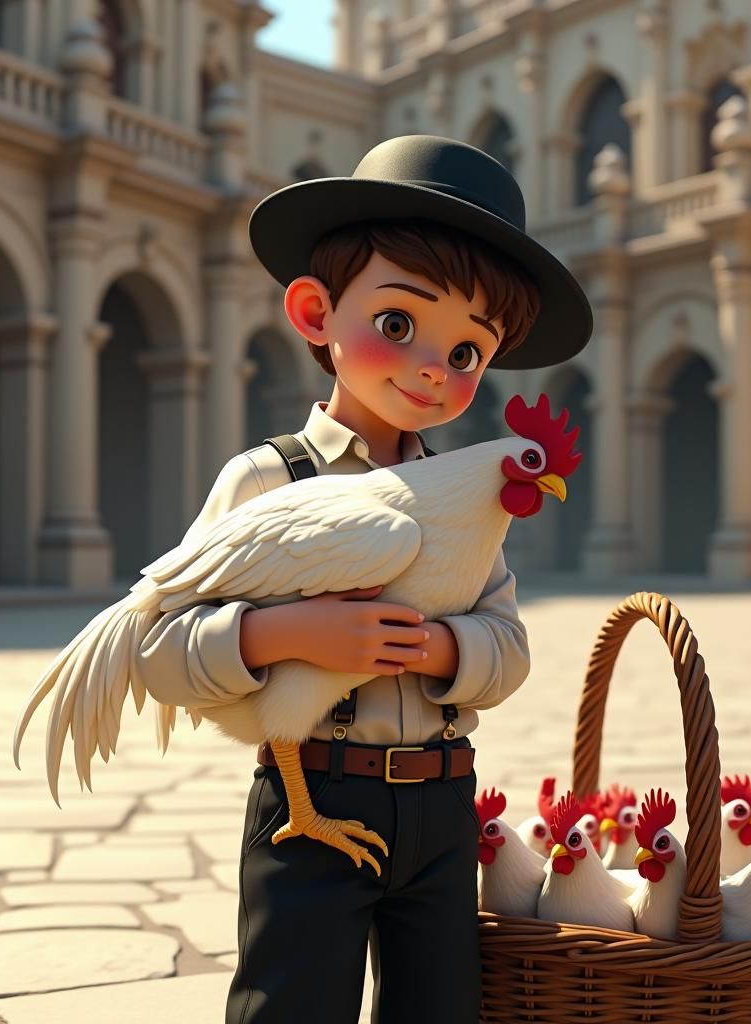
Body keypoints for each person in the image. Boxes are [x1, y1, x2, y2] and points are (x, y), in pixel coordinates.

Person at [134, 135, 593, 1024]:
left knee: (442, 1004)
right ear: (314, 313)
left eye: (468, 353)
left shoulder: (470, 504)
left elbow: (507, 648)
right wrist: (280, 635)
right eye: (397, 324)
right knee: (292, 1000)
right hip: (313, 791)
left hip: (441, 795)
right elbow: (158, 643)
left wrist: (445, 647)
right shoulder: (272, 478)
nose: (434, 366)